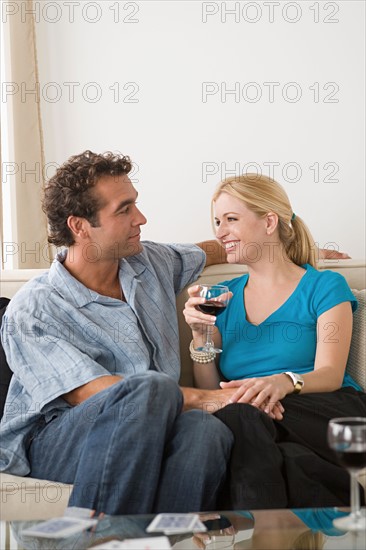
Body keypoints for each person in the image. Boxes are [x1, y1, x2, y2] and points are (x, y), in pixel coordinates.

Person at [0, 150, 235, 515]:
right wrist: (215, 398)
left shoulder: (147, 262)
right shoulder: (34, 309)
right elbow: (92, 394)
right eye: (123, 210)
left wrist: (295, 249)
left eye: (135, 205)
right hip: (56, 440)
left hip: (152, 422)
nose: (140, 219)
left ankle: (166, 542)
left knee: (206, 433)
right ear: (79, 226)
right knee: (148, 387)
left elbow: (208, 251)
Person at [183, 173, 366, 509]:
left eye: (231, 219)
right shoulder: (225, 297)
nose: (220, 232)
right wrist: (200, 336)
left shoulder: (324, 286)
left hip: (327, 409)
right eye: (217, 221)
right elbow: (213, 386)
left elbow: (330, 373)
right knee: (288, 457)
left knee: (241, 415)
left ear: (269, 222)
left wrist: (282, 383)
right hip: (255, 418)